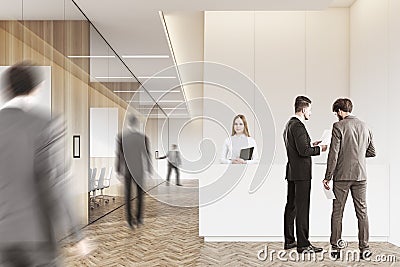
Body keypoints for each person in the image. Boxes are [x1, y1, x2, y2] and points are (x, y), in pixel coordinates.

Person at [0, 63, 81, 266]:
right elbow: (54, 182)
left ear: (7, 89)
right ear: (37, 88)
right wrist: (76, 233)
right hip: (36, 236)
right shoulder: (45, 123)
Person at [323, 98, 376, 260]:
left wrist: (327, 177)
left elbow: (334, 154)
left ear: (340, 111)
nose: (336, 116)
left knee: (338, 212)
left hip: (342, 176)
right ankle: (365, 248)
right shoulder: (365, 126)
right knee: (362, 212)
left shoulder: (338, 126)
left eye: (336, 113)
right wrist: (357, 154)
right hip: (361, 176)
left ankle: (336, 249)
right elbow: (372, 152)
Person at [283, 96, 327, 253]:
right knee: (302, 208)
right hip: (301, 174)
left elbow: (298, 147)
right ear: (303, 109)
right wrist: (319, 149)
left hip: (292, 172)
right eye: (309, 109)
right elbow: (303, 151)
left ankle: (289, 241)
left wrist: (311, 144)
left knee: (292, 206)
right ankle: (303, 244)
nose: (311, 113)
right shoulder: (299, 126)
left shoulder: (289, 125)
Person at [116, 115, 152, 228]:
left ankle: (129, 221)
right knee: (140, 195)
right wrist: (149, 170)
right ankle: (139, 219)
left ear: (128, 123)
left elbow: (119, 155)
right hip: (139, 169)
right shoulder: (143, 137)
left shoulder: (121, 137)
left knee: (127, 195)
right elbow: (147, 155)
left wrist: (118, 170)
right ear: (136, 124)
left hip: (127, 169)